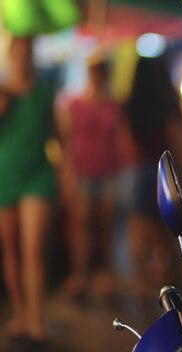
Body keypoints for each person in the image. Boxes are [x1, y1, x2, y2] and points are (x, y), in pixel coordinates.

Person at [0, 37, 57, 346]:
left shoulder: (44, 93)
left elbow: (56, 136)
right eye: (17, 55)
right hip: (5, 175)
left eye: (27, 54)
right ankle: (20, 314)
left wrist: (67, 174)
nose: (22, 60)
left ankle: (37, 318)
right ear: (10, 58)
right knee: (11, 250)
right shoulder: (3, 94)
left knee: (33, 250)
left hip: (38, 176)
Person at [57, 55, 122, 301]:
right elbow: (66, 141)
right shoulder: (75, 104)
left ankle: (103, 275)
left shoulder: (112, 104)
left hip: (108, 171)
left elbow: (119, 138)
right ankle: (80, 274)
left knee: (105, 225)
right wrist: (67, 172)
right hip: (83, 171)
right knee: (81, 225)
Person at [123, 55, 182, 302]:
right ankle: (168, 278)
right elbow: (176, 134)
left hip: (140, 168)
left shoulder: (132, 101)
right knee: (167, 227)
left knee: (139, 226)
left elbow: (126, 140)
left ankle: (141, 281)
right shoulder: (167, 99)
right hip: (166, 169)